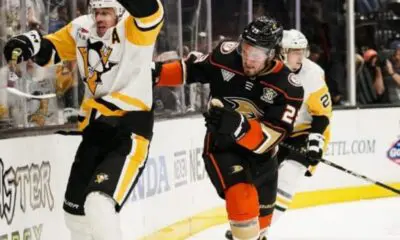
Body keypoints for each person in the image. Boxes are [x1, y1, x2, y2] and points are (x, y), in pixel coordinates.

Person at [3, 0, 164, 239]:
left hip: (128, 132)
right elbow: (51, 49)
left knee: (99, 205)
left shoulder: (135, 30)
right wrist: (26, 44)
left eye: (106, 13)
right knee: (75, 217)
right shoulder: (82, 28)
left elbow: (151, 10)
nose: (99, 18)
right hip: (95, 132)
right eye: (96, 12)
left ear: (120, 13)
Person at [154, 16, 304, 240]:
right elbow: (190, 70)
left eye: (256, 54)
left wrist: (237, 124)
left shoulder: (288, 88)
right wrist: (152, 74)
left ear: (272, 54)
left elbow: (268, 140)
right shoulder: (226, 55)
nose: (247, 59)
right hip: (222, 148)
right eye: (245, 49)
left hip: (262, 159)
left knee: (259, 230)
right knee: (243, 206)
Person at [271, 29, 332, 230]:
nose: (301, 57)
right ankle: (253, 223)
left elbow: (322, 115)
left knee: (288, 176)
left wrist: (315, 144)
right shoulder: (267, 70)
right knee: (261, 179)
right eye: (295, 52)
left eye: (303, 51)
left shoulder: (312, 74)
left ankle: (262, 229)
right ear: (281, 52)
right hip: (278, 131)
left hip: (305, 131)